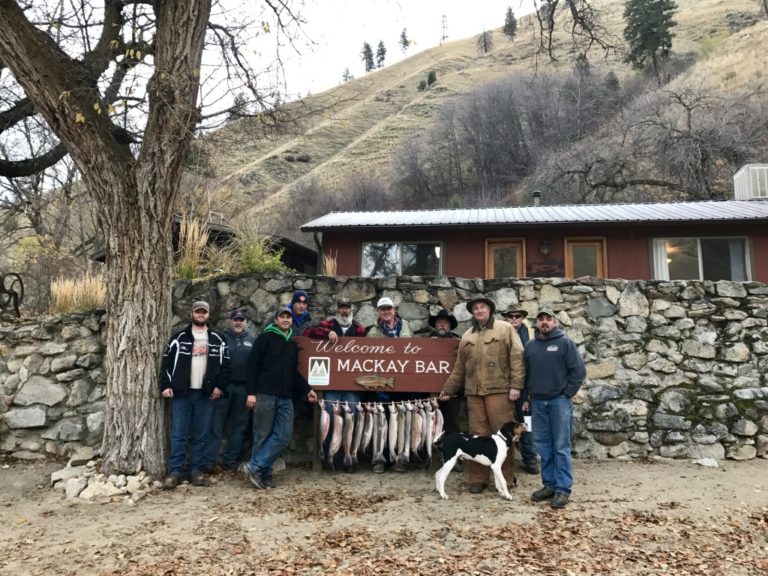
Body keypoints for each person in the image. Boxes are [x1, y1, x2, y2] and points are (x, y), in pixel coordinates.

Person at [439, 294, 524, 495]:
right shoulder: (467, 336)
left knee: (503, 437)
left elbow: (518, 358)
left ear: (490, 309)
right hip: (474, 394)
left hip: (500, 392)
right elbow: (460, 368)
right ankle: (478, 479)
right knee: (477, 436)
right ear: (472, 312)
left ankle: (506, 479)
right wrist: (448, 389)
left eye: (483, 307)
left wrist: (516, 386)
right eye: (475, 308)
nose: (479, 310)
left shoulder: (505, 329)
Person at [242, 306, 318, 489]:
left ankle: (255, 466)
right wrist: (251, 393)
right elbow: (252, 366)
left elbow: (293, 372)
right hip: (265, 394)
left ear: (291, 321)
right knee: (262, 435)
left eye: (288, 317)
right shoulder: (265, 338)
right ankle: (263, 473)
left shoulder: (292, 343)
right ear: (276, 320)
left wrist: (308, 389)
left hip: (285, 397)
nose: (285, 320)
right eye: (282, 317)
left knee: (283, 435)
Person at [160, 300, 230, 489]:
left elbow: (226, 367)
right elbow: (166, 362)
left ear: (208, 315)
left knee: (201, 434)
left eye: (204, 312)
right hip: (181, 393)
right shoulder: (179, 337)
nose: (201, 315)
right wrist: (166, 384)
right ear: (192, 313)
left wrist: (219, 387)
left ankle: (195, 471)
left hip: (206, 395)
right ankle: (175, 471)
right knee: (178, 434)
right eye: (198, 312)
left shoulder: (218, 338)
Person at [524, 306, 586, 509]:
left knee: (560, 446)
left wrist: (566, 394)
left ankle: (563, 489)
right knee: (543, 445)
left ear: (555, 322)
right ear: (536, 324)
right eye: (541, 319)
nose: (544, 322)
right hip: (538, 402)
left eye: (548, 319)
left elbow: (578, 372)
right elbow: (526, 373)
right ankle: (549, 485)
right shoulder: (531, 346)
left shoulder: (565, 343)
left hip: (559, 402)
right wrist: (527, 396)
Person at [304, 297, 367, 472]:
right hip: (331, 384)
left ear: (352, 310)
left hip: (353, 385)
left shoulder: (360, 329)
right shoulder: (328, 324)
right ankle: (329, 458)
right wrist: (326, 334)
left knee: (350, 422)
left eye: (347, 308)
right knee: (330, 420)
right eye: (341, 308)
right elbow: (308, 332)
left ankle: (347, 459)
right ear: (337, 310)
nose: (344, 311)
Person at [203, 307, 255, 472]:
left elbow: (256, 367)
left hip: (244, 389)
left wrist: (253, 391)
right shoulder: (221, 338)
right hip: (223, 387)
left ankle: (230, 461)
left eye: (241, 320)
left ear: (246, 323)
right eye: (236, 319)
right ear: (230, 321)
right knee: (216, 425)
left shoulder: (253, 340)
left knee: (239, 426)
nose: (238, 322)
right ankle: (209, 461)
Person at [366, 296, 413, 473]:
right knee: (381, 423)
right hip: (381, 386)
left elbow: (416, 351)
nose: (386, 311)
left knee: (402, 422)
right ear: (378, 312)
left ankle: (401, 458)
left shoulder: (406, 327)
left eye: (389, 308)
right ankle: (379, 458)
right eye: (382, 309)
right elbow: (368, 360)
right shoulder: (373, 332)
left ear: (394, 310)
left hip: (403, 383)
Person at [501, 303, 539, 475]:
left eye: (517, 316)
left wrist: (530, 392)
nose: (514, 319)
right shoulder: (501, 332)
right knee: (503, 424)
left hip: (525, 388)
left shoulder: (532, 334)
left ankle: (530, 459)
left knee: (527, 425)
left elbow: (535, 364)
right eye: (511, 316)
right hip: (503, 386)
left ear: (523, 317)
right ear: (506, 318)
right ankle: (502, 459)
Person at [428, 309, 465, 438]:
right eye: (439, 322)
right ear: (435, 325)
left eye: (445, 323)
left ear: (450, 326)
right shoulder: (425, 342)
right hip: (431, 389)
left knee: (455, 422)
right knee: (433, 424)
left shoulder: (460, 342)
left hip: (453, 390)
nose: (442, 325)